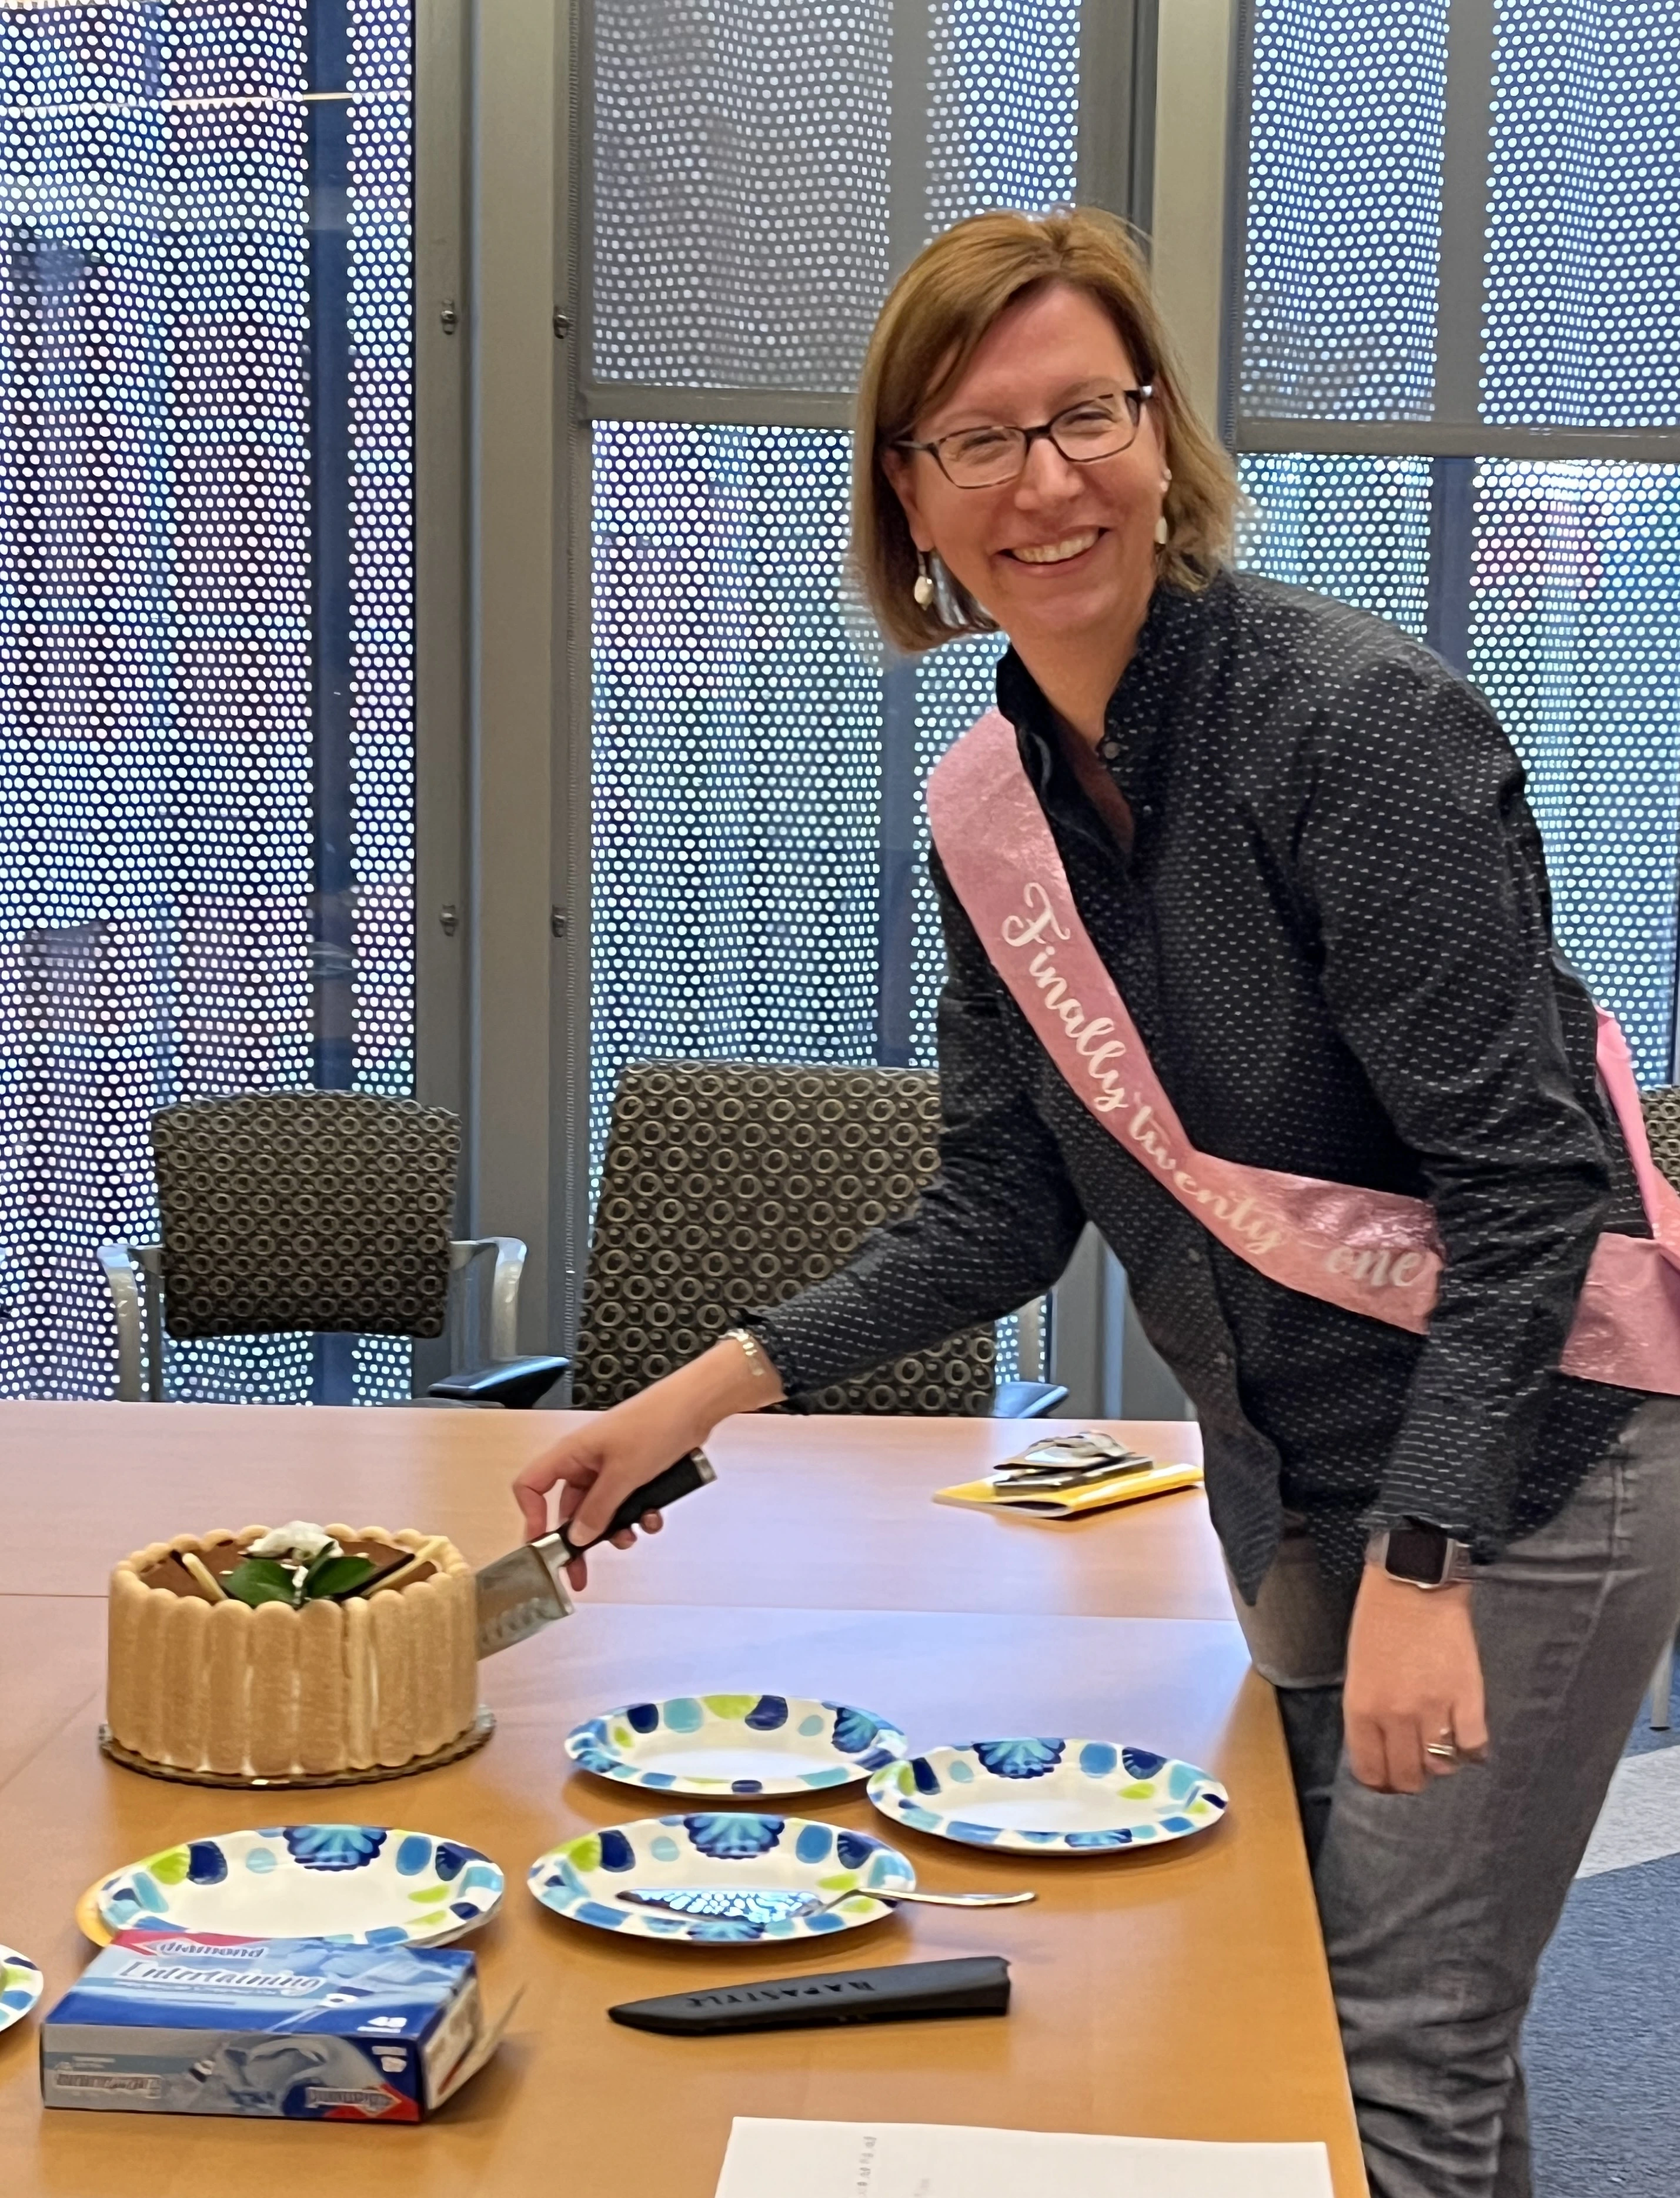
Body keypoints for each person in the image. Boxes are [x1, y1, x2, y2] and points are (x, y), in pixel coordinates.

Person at [513, 207, 1680, 2198]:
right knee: (1359, 2006)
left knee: (1395, 2048)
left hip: (1531, 1455)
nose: (1046, 484)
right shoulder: (998, 800)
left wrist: (1430, 1569)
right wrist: (688, 1399)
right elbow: (996, 1211)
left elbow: (1524, 1189)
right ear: (912, 493)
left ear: (1162, 435)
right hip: (1291, 1461)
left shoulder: (1351, 730)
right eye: (980, 439)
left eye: (1089, 418)